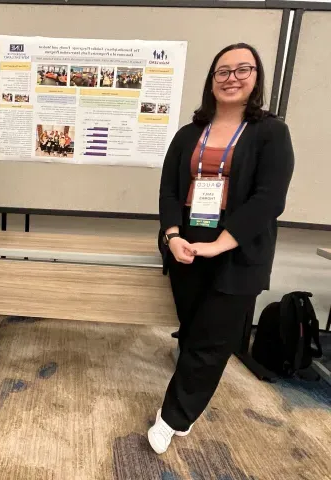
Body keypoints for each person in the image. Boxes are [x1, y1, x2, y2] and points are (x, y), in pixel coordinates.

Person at [148, 43, 294, 454]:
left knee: (212, 341)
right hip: (187, 244)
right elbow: (169, 190)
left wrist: (221, 244)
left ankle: (174, 415)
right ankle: (188, 398)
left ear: (256, 78)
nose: (231, 78)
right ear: (211, 81)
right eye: (222, 71)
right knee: (194, 332)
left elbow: (269, 200)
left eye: (242, 70)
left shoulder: (271, 132)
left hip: (239, 247)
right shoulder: (189, 134)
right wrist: (173, 235)